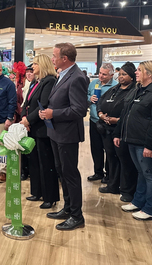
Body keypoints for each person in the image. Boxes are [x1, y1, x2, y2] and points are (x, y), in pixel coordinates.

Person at [113, 60, 152, 221]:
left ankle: (151, 209)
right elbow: (126, 114)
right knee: (142, 173)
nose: (136, 72)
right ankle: (139, 201)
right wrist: (118, 133)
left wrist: (149, 145)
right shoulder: (138, 90)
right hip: (132, 139)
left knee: (151, 175)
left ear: (149, 74)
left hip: (146, 144)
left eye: (140, 70)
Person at [39, 43, 88, 231]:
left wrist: (54, 113)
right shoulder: (63, 75)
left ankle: (77, 215)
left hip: (67, 135)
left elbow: (79, 110)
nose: (52, 59)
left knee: (70, 174)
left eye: (54, 56)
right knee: (61, 172)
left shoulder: (76, 77)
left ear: (64, 58)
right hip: (56, 133)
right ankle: (68, 208)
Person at [20, 54, 59, 209]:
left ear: (42, 65)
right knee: (34, 162)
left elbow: (42, 104)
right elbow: (27, 103)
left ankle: (50, 197)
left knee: (46, 163)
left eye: (35, 64)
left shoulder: (49, 81)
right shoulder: (36, 82)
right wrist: (24, 117)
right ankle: (37, 192)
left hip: (42, 129)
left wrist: (28, 120)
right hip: (32, 127)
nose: (32, 67)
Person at [96, 62, 137, 201]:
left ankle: (126, 190)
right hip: (107, 129)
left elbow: (130, 112)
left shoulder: (134, 91)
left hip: (122, 131)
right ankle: (112, 185)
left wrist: (117, 120)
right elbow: (100, 102)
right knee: (111, 159)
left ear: (132, 76)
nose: (120, 77)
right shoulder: (114, 89)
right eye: (120, 74)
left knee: (124, 161)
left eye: (124, 74)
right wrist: (101, 114)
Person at [87, 63, 117, 183]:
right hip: (94, 120)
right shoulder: (94, 83)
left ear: (111, 75)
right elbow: (86, 95)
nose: (101, 76)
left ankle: (108, 174)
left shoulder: (115, 86)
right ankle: (98, 172)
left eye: (104, 74)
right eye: (100, 73)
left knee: (108, 149)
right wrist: (89, 98)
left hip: (107, 122)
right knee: (96, 148)